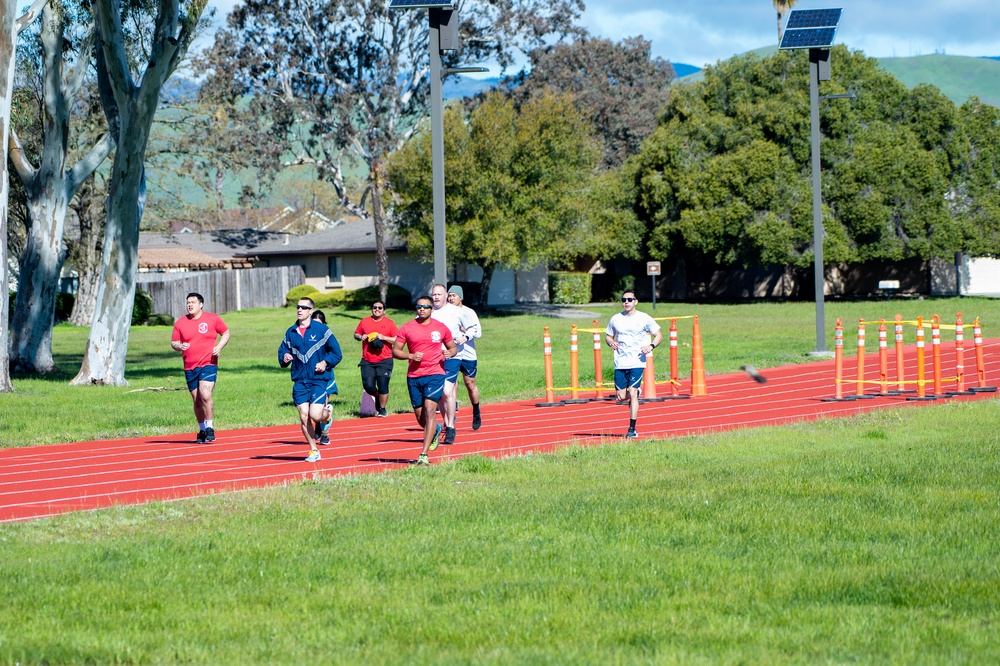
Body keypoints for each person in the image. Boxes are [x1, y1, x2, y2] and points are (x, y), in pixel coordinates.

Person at [393, 296, 457, 465]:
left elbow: (452, 347)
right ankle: (435, 428)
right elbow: (396, 351)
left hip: (435, 374)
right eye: (419, 306)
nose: (422, 309)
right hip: (414, 376)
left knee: (430, 410)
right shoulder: (407, 327)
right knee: (421, 418)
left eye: (426, 306)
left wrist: (451, 353)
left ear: (432, 310)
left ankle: (423, 454)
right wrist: (411, 356)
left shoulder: (440, 328)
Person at [279, 297, 343, 462]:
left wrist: (325, 362)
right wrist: (284, 356)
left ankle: (326, 414)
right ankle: (314, 450)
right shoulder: (291, 332)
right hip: (300, 380)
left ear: (311, 311)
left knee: (315, 415)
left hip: (318, 379)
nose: (299, 310)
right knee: (303, 415)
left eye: (303, 307)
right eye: (298, 307)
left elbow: (337, 353)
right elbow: (283, 350)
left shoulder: (322, 330)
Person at [171, 292, 230, 443]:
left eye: (193, 302)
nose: (190, 305)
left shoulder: (212, 319)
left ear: (201, 304)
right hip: (190, 366)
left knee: (205, 394)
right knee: (197, 400)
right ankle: (202, 430)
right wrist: (180, 346)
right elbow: (174, 342)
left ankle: (210, 427)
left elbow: (225, 333)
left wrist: (220, 347)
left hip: (208, 363)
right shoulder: (180, 323)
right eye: (188, 303)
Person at [605, 289, 663, 439]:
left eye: (629, 300)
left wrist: (650, 346)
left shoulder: (644, 318)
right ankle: (636, 392)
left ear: (635, 302)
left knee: (631, 391)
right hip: (620, 361)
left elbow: (658, 335)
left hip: (637, 360)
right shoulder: (616, 319)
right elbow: (608, 336)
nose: (626, 302)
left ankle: (632, 429)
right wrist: (611, 342)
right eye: (624, 299)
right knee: (622, 396)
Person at [446, 285, 483, 430]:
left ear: (460, 297)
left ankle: (476, 411)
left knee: (470, 383)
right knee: (451, 383)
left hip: (467, 353)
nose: (450, 298)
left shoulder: (469, 312)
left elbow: (478, 332)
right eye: (449, 296)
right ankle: (451, 413)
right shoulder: (446, 313)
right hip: (452, 353)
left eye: (453, 295)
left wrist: (465, 333)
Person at [430, 283, 463, 444]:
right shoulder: (428, 313)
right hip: (434, 358)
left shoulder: (457, 312)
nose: (436, 297)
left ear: (446, 296)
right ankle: (447, 422)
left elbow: (474, 328)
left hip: (452, 356)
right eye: (434, 294)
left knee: (447, 391)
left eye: (439, 294)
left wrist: (465, 337)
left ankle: (450, 427)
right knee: (441, 394)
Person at [354, 300, 398, 418]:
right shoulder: (364, 321)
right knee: (368, 386)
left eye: (379, 308)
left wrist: (383, 337)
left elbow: (397, 339)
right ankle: (377, 395)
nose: (377, 310)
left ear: (384, 310)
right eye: (375, 307)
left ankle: (382, 409)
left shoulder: (389, 323)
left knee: (383, 385)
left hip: (385, 359)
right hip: (367, 360)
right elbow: (356, 334)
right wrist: (361, 337)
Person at [310, 310, 337, 443]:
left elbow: (336, 354)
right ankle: (318, 426)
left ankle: (325, 434)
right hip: (308, 376)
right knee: (311, 408)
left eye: (319, 324)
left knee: (322, 406)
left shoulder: (327, 335)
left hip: (325, 376)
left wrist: (325, 362)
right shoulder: (305, 335)